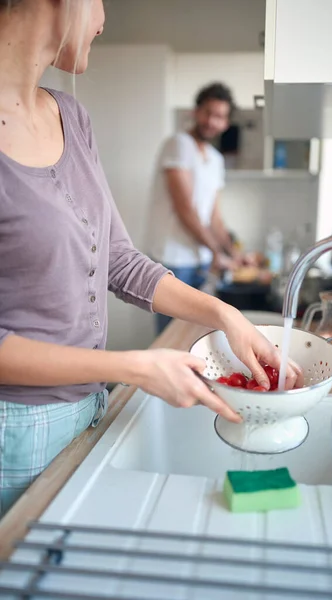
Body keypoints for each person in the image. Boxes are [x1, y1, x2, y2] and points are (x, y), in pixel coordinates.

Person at [0, 0, 302, 517]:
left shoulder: (72, 115)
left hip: (88, 413)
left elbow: (118, 259)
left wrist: (226, 315)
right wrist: (132, 367)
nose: (102, 16)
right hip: (15, 433)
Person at [146, 83, 245, 333]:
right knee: (172, 339)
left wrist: (233, 254)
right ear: (196, 112)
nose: (212, 121)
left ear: (226, 122)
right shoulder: (179, 144)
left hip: (199, 262)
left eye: (220, 116)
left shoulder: (216, 159)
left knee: (194, 338)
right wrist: (216, 252)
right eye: (208, 112)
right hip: (173, 260)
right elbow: (185, 209)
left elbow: (215, 217)